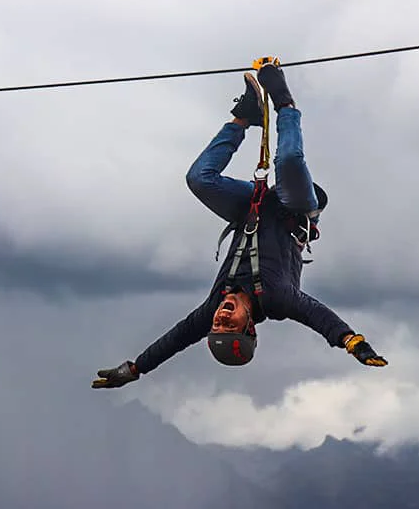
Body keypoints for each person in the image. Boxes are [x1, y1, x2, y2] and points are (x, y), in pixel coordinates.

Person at [92, 59, 388, 390]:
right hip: (293, 209)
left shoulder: (213, 305)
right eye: (228, 325)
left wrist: (134, 370)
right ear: (249, 325)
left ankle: (243, 117)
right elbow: (318, 316)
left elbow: (174, 340)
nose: (219, 318)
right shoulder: (277, 299)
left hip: (250, 207)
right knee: (287, 161)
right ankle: (284, 103)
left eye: (216, 326)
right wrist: (352, 343)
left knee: (199, 180)